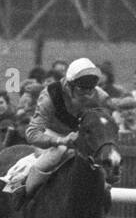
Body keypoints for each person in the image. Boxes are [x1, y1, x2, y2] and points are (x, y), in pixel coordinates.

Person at [16, 57, 110, 208]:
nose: (87, 94)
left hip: (81, 139)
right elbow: (32, 133)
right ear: (70, 85)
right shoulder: (50, 95)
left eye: (90, 89)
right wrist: (60, 141)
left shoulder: (100, 96)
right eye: (81, 89)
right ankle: (25, 193)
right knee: (58, 153)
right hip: (52, 135)